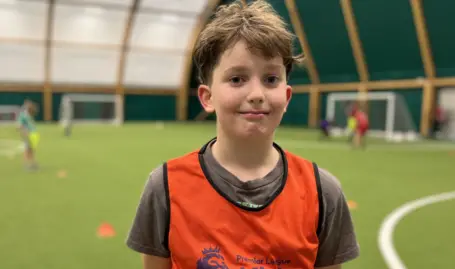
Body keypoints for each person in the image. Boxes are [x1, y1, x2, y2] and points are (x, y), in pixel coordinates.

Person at [126, 1, 359, 268]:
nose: (257, 95)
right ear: (207, 97)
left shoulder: (323, 193)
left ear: (287, 96)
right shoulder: (165, 187)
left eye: (271, 79)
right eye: (237, 79)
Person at [17, 100, 39, 170]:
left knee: (31, 149)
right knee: (27, 149)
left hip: (32, 134)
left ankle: (32, 163)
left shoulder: (28, 114)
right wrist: (24, 132)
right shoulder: (23, 115)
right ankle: (26, 164)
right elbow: (19, 125)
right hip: (28, 134)